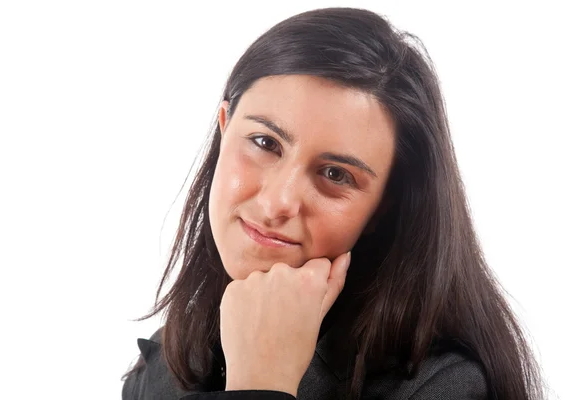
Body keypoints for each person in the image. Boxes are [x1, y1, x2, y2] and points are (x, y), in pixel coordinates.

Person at [121, 7, 543, 400]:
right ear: (225, 128)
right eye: (265, 142)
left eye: (336, 175)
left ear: (384, 207)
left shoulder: (445, 387)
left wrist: (262, 383)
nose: (278, 203)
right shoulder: (161, 366)